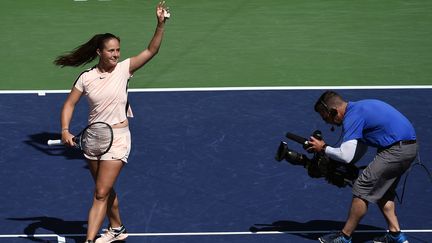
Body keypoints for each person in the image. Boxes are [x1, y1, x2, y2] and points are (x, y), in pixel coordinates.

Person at [53, 2, 169, 243]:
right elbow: (69, 104)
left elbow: (151, 51)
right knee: (104, 188)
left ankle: (89, 240)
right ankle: (117, 228)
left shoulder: (124, 69)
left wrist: (160, 25)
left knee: (100, 193)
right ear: (99, 52)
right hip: (93, 138)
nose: (116, 54)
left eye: (118, 50)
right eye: (111, 51)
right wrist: (65, 130)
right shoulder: (86, 78)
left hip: (118, 139)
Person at [307, 90, 417, 243]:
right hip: (407, 148)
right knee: (383, 192)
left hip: (396, 151)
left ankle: (345, 236)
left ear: (334, 111)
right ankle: (395, 235)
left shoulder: (352, 117)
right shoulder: (359, 109)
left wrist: (324, 148)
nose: (327, 122)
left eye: (326, 117)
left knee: (362, 188)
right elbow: (359, 149)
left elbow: (346, 156)